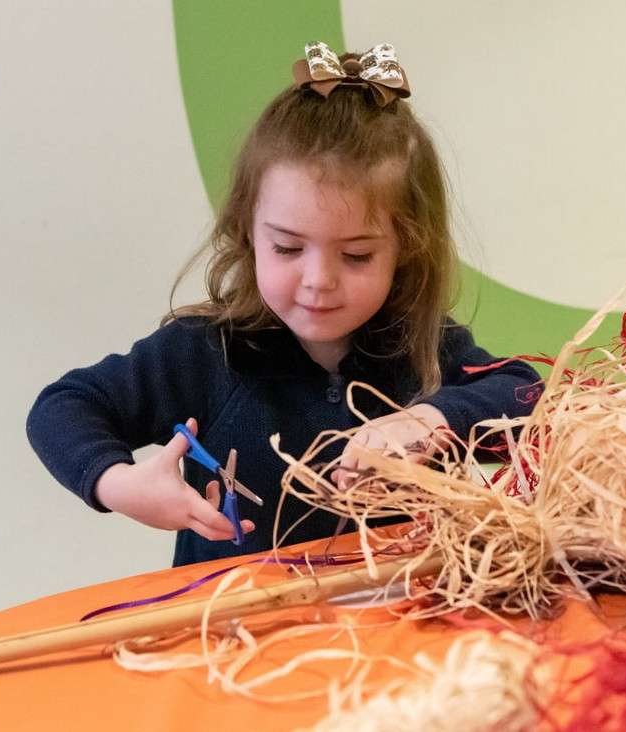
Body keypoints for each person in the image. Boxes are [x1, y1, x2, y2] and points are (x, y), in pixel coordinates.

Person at [26, 42, 540, 566]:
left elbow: (527, 394)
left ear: (405, 248)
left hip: (402, 626)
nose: (319, 281)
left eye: (357, 255)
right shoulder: (205, 351)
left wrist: (429, 421)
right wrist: (117, 483)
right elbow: (63, 407)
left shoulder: (424, 347)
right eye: (288, 248)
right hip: (234, 635)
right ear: (247, 231)